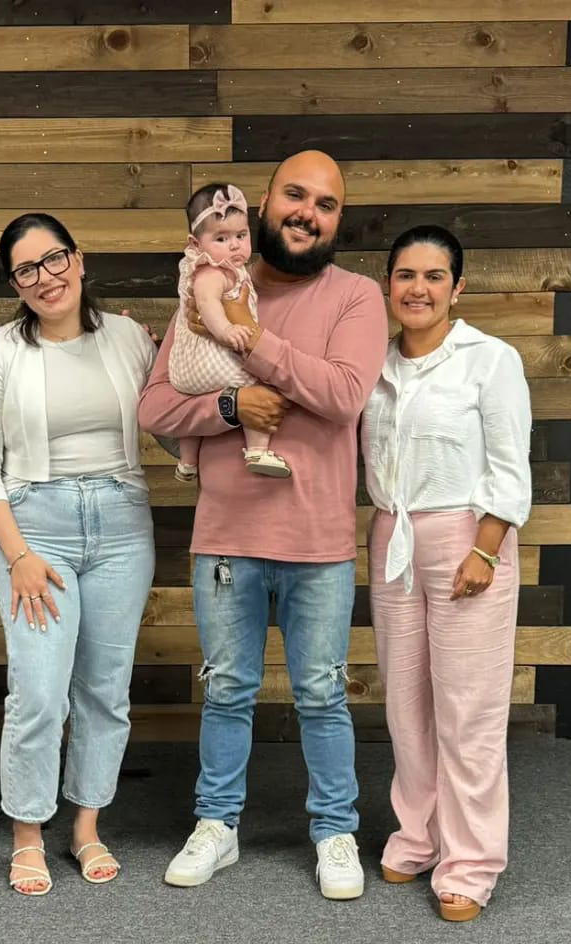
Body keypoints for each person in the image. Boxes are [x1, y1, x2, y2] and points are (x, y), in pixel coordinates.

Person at [139, 150, 388, 900]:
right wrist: (229, 407)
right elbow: (156, 407)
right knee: (225, 692)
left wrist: (252, 338)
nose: (308, 212)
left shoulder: (356, 297)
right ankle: (217, 824)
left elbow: (342, 395)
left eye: (326, 204)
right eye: (295, 195)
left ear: (337, 220)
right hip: (226, 539)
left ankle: (335, 830)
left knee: (322, 695)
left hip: (318, 543)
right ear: (264, 204)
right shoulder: (211, 285)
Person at [0, 213, 156, 896]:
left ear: (78, 259)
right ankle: (27, 833)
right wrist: (16, 553)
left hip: (122, 525)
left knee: (105, 689)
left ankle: (86, 826)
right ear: (14, 284)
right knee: (40, 693)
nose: (45, 278)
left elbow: (172, 417)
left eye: (54, 259)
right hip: (35, 530)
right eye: (26, 270)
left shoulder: (129, 338)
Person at [361, 225, 532, 922]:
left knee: (468, 712)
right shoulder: (372, 364)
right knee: (406, 706)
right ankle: (419, 835)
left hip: (468, 537)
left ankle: (471, 863)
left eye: (434, 276)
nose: (418, 289)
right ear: (388, 284)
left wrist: (485, 549)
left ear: (457, 288)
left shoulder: (490, 360)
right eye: (406, 275)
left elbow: (510, 466)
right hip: (392, 537)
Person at [169, 182, 289, 480]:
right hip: (209, 362)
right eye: (221, 238)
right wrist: (225, 330)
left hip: (186, 374)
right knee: (258, 383)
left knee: (191, 404)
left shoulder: (223, 268)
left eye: (241, 235)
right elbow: (207, 303)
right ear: (195, 243)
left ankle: (187, 462)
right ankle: (257, 450)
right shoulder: (211, 271)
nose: (234, 245)